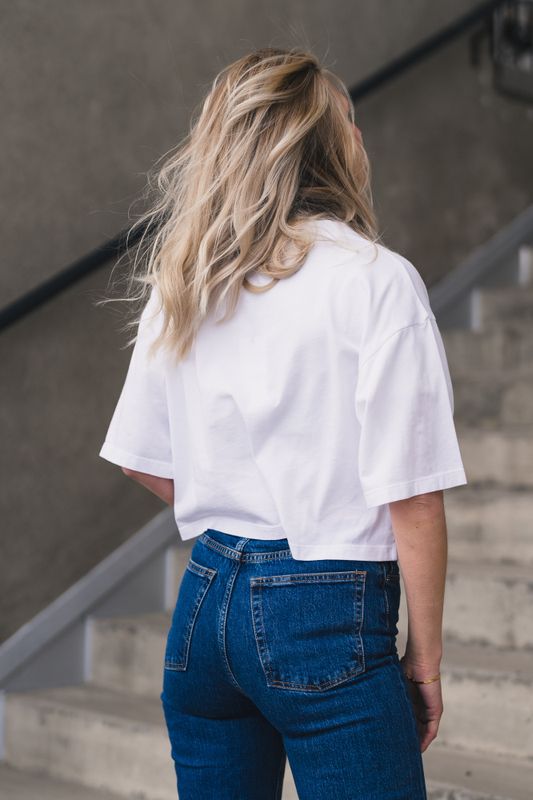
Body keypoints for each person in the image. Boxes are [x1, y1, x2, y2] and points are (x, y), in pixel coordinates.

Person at [98, 46, 468, 800]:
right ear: (326, 149)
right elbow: (413, 499)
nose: (361, 138)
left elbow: (140, 457)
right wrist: (422, 662)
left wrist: (246, 509)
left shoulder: (188, 279)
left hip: (206, 601)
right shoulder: (375, 281)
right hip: (325, 610)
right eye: (351, 122)